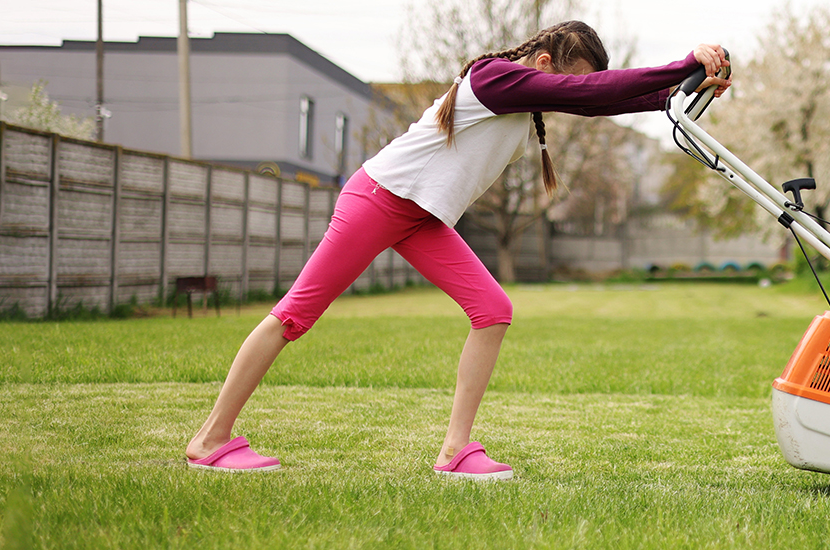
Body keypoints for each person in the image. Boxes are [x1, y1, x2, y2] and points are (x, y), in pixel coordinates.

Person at [183, 21, 731, 480]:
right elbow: (590, 94)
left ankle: (455, 451)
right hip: (378, 200)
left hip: (420, 218)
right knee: (295, 315)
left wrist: (683, 86)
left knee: (493, 311)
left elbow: (597, 101)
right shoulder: (493, 77)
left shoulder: (526, 100)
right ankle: (211, 439)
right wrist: (681, 61)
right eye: (570, 78)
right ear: (542, 61)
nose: (572, 90)